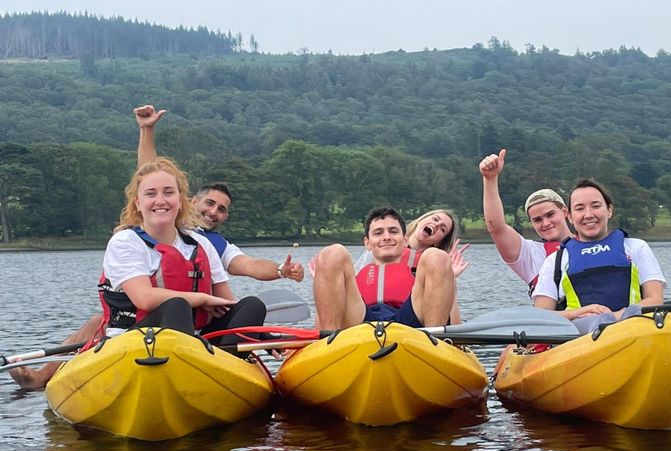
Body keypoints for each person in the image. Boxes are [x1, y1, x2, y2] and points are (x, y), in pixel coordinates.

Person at [11, 158, 267, 389]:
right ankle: (186, 376)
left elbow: (227, 302)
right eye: (151, 194)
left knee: (252, 305)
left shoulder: (200, 244)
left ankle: (226, 376)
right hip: (133, 341)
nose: (160, 200)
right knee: (175, 306)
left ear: (180, 201)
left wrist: (256, 331)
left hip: (196, 346)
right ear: (138, 202)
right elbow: (144, 298)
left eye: (169, 193)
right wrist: (201, 299)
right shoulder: (125, 242)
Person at [134, 104, 304, 282]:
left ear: (225, 217)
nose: (214, 212)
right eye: (209, 203)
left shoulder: (216, 244)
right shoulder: (165, 220)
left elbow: (250, 265)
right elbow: (148, 176)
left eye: (221, 209)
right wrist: (147, 129)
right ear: (192, 202)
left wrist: (281, 270)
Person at [532, 178, 666, 333]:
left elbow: (655, 299)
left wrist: (617, 316)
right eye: (580, 208)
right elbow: (542, 316)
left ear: (609, 210)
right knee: (603, 321)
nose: (588, 215)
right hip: (580, 335)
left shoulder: (636, 247)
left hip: (633, 326)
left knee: (607, 320)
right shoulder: (556, 260)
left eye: (595, 206)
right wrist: (578, 313)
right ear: (569, 216)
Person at [313, 206, 456, 330]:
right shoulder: (358, 269)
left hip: (411, 321)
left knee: (437, 256)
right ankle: (329, 342)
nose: (386, 237)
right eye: (378, 233)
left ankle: (436, 343)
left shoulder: (427, 265)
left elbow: (454, 318)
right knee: (332, 253)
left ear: (405, 239)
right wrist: (326, 280)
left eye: (393, 231)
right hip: (360, 319)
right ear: (367, 243)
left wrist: (450, 279)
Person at [480, 148, 573, 296]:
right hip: (556, 318)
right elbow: (496, 227)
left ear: (565, 212)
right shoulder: (530, 254)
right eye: (537, 220)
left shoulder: (593, 244)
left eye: (550, 214)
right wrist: (490, 179)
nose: (546, 223)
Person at [349, 208, 470, 277]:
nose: (436, 225)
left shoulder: (432, 263)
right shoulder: (382, 245)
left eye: (443, 229)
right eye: (435, 219)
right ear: (421, 221)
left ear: (439, 242)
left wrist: (448, 277)